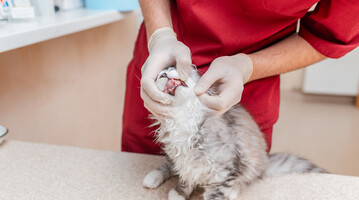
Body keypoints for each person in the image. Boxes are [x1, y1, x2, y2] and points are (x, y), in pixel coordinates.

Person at [122, 0, 359, 154]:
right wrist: (161, 35)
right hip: (160, 65)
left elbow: (330, 37)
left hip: (246, 91)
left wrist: (246, 66)